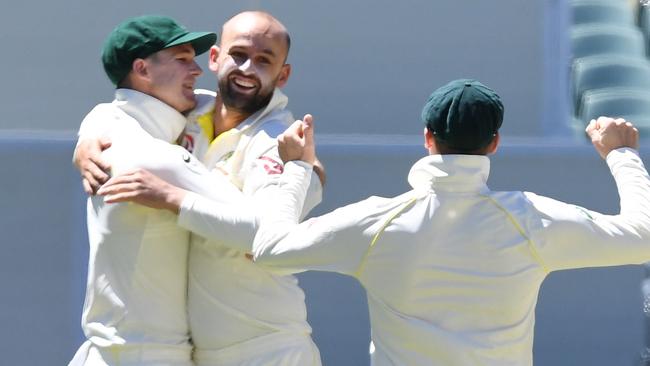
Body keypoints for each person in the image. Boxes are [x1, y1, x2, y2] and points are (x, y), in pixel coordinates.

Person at [246, 80, 650, 365]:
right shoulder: (530, 218)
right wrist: (623, 155)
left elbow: (269, 250)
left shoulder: (376, 221)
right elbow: (642, 238)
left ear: (427, 137)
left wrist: (298, 168)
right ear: (494, 143)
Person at [75, 11, 325, 366]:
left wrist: (173, 198)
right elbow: (120, 109)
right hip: (199, 352)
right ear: (215, 58)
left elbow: (271, 235)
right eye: (238, 55)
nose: (247, 68)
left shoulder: (277, 142)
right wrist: (87, 138)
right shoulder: (191, 110)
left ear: (283, 75)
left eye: (264, 60)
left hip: (268, 347)